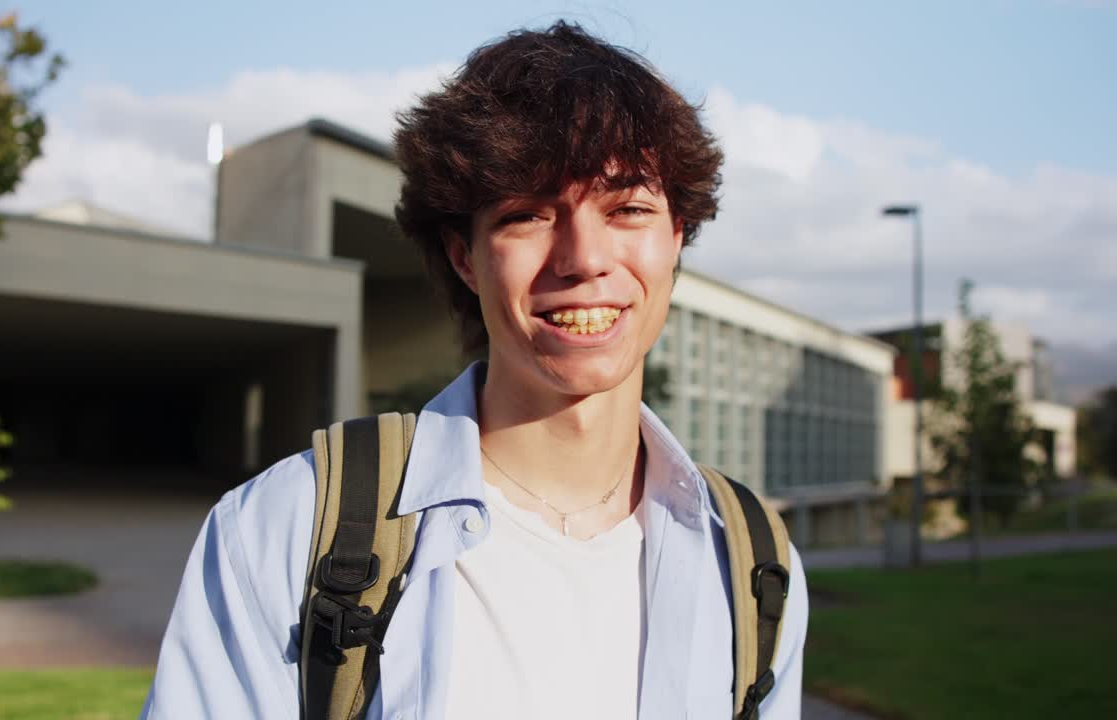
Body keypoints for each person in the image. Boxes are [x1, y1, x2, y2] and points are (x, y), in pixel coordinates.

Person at [141, 20, 807, 720]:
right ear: (465, 257)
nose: (583, 258)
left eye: (628, 208)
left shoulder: (755, 561)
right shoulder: (281, 528)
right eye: (528, 215)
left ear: (677, 237)